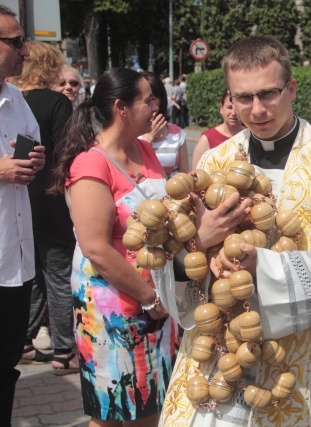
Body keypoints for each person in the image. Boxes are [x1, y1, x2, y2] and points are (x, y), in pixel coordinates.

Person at [160, 35, 311, 426]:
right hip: (225, 358)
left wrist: (261, 265)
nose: (257, 109)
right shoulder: (214, 163)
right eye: (244, 98)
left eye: (269, 94)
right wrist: (198, 241)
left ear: (292, 89)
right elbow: (176, 262)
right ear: (230, 97)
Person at [49, 68, 180, 425]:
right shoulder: (90, 163)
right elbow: (96, 248)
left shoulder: (143, 149)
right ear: (122, 107)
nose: (155, 106)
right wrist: (148, 297)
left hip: (155, 300)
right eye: (147, 99)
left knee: (152, 403)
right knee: (113, 410)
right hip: (114, 306)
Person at [10, 40, 78, 374]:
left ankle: (22, 340)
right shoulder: (57, 103)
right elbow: (68, 154)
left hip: (20, 199)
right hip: (52, 199)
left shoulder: (16, 101)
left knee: (32, 274)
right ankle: (64, 350)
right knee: (59, 274)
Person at [0, 6, 46, 425]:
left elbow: (30, 143)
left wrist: (35, 158)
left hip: (14, 260)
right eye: (15, 42)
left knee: (7, 361)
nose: (25, 51)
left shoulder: (15, 96)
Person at [139, 71, 188, 176]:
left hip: (173, 191)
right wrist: (147, 140)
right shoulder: (130, 134)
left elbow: (185, 175)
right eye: (144, 100)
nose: (150, 106)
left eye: (152, 99)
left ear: (161, 100)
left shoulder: (177, 134)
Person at [191, 89, 244, 169]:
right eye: (229, 107)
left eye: (237, 108)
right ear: (221, 108)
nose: (233, 113)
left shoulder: (251, 135)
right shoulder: (207, 139)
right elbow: (196, 174)